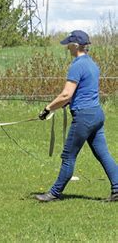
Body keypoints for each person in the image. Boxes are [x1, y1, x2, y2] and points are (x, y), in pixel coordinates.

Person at [35, 30, 118, 202]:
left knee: (68, 156)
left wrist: (47, 109)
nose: (67, 48)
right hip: (96, 114)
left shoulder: (77, 66)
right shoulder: (93, 64)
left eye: (68, 44)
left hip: (84, 117)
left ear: (75, 45)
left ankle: (54, 193)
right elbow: (81, 92)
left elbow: (66, 95)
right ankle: (117, 189)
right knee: (103, 154)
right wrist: (65, 103)